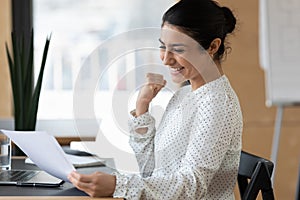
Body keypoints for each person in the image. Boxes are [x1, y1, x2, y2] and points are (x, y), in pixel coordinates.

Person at [68, 0, 243, 199]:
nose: (165, 59)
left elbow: (192, 186)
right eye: (163, 47)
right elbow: (151, 170)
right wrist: (142, 108)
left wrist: (119, 185)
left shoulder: (218, 105)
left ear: (212, 46)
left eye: (178, 50)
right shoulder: (185, 95)